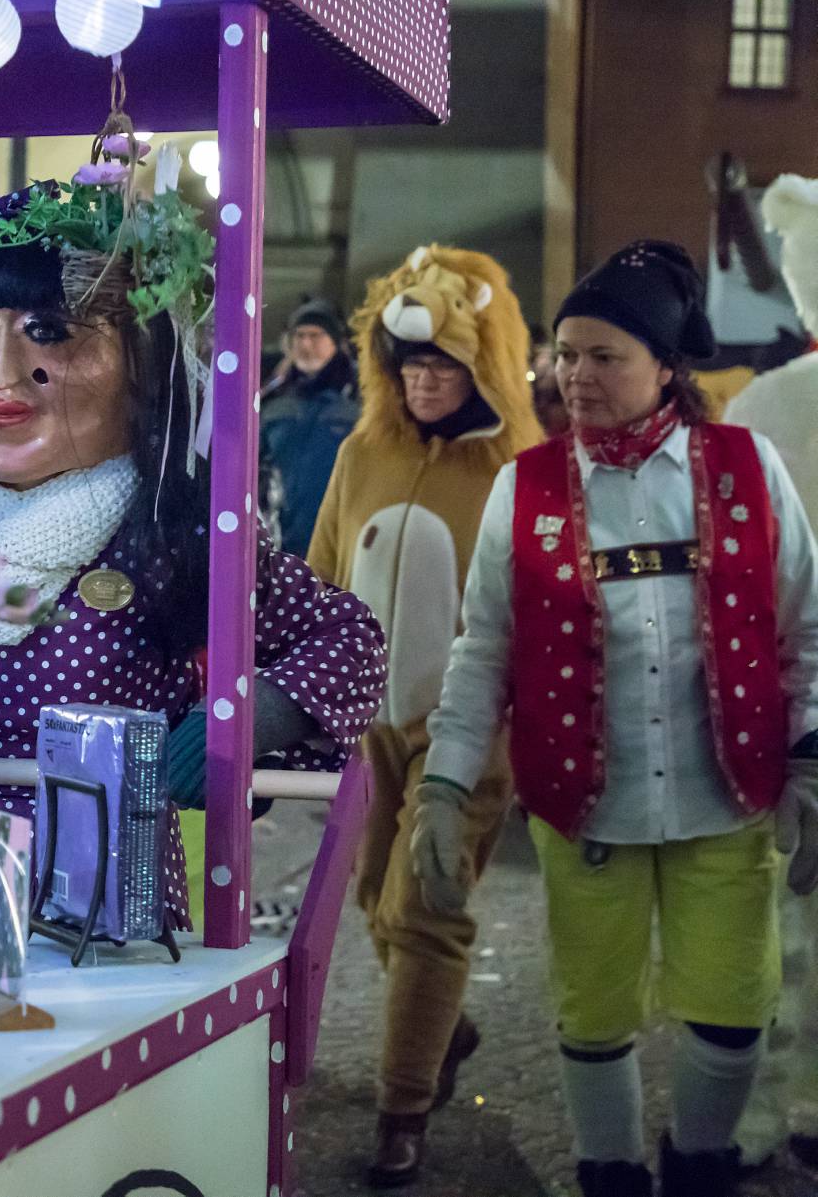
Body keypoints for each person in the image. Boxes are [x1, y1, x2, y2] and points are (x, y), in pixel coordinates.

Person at [0, 173, 386, 925]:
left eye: (49, 332)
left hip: (103, 901)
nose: (0, 372)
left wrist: (241, 722)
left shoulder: (170, 526)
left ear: (140, 362)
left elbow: (347, 640)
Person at [423, 240, 818, 1197]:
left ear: (667, 366)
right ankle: (609, 1173)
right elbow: (484, 649)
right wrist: (442, 783)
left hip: (728, 795)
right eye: (566, 353)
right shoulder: (524, 487)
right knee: (594, 1013)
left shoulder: (748, 466)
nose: (576, 375)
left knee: (733, 1010)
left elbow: (806, 627)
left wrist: (810, 760)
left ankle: (698, 1162)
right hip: (584, 805)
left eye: (605, 356)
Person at [306, 244, 542, 1188]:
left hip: (470, 733)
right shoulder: (363, 451)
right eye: (410, 362)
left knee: (428, 907)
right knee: (377, 898)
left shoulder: (519, 470)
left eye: (444, 361)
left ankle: (401, 1110)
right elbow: (324, 577)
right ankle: (444, 1026)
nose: (425, 379)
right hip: (372, 727)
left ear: (483, 363)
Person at [724, 172, 818, 1175]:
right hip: (784, 700)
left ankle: (758, 1110)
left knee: (775, 915)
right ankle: (758, 1107)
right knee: (772, 913)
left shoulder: (762, 405)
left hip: (778, 693)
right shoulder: (765, 407)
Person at [258, 297, 358, 557]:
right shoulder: (272, 404)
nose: (305, 344)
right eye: (299, 336)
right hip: (283, 541)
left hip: (339, 539)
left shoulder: (360, 403)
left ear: (335, 342)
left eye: (315, 336)